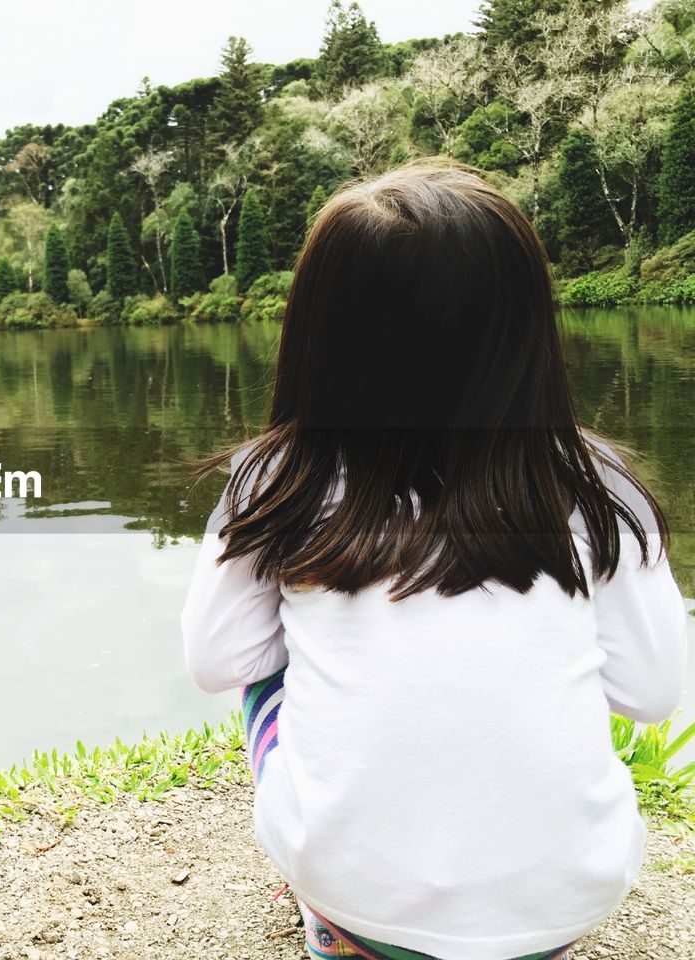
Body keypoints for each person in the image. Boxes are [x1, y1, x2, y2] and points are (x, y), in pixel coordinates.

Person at [181, 161, 688, 960]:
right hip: (563, 902)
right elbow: (654, 693)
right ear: (526, 330)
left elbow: (219, 662)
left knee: (267, 677)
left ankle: (334, 926)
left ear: (315, 334)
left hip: (360, 904)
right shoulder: (598, 485)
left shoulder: (278, 480)